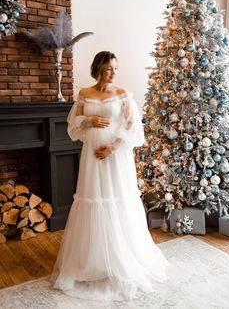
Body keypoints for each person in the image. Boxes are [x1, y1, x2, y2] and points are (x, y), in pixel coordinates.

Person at [51, 51, 168, 301]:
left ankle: (120, 260)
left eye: (115, 68)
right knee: (92, 200)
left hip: (116, 158)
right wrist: (89, 119)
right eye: (108, 69)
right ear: (98, 70)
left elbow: (134, 130)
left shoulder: (123, 95)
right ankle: (92, 261)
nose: (113, 73)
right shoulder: (85, 94)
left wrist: (113, 147)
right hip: (91, 158)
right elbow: (73, 124)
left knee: (118, 201)